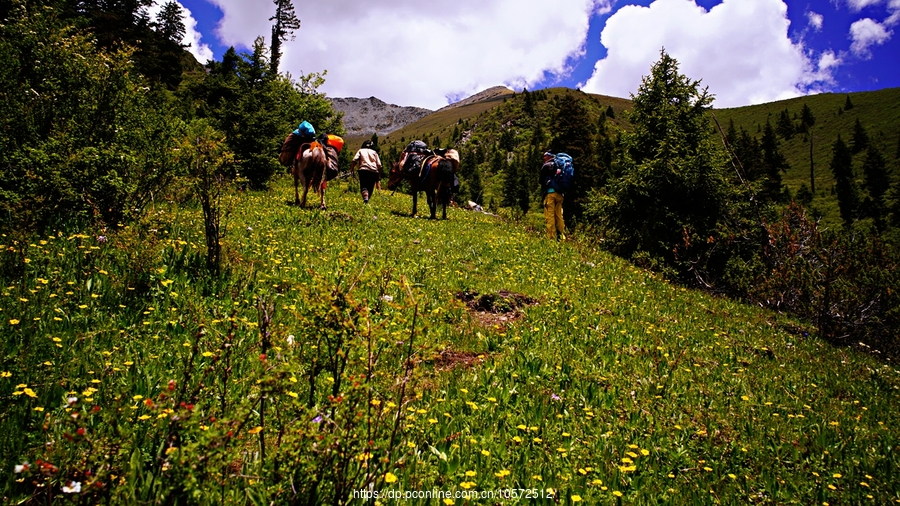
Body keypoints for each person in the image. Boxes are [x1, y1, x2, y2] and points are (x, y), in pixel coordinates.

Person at [540, 151, 566, 240]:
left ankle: (551, 237)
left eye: (545, 155)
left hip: (550, 193)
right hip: (560, 194)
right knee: (559, 215)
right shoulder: (561, 166)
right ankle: (562, 237)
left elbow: (541, 180)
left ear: (548, 156)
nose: (544, 158)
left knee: (550, 215)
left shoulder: (547, 165)